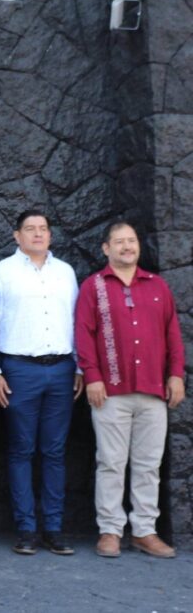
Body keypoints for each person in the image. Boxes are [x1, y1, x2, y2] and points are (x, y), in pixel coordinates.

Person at [75, 221, 186, 559]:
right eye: (119, 242)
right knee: (110, 462)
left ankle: (144, 531)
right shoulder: (94, 286)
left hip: (153, 389)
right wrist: (92, 376)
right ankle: (110, 530)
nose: (127, 246)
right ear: (106, 249)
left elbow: (173, 335)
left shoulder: (157, 286)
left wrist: (176, 375)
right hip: (109, 391)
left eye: (132, 241)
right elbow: (83, 333)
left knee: (148, 464)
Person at [0, 210, 81, 556]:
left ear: (50, 235)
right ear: (17, 236)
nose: (38, 234)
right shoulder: (1, 273)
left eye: (43, 229)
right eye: (30, 229)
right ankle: (26, 528)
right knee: (21, 450)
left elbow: (76, 321)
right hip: (18, 370)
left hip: (61, 368)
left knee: (55, 451)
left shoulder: (65, 273)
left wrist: (80, 369)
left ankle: (54, 529)